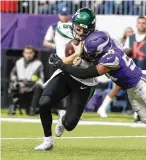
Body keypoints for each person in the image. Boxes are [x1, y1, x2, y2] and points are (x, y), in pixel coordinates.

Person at [50, 31, 146, 156]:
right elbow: (90, 52)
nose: (89, 55)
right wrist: (78, 55)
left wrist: (63, 65)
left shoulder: (110, 58)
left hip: (143, 82)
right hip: (132, 89)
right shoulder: (108, 43)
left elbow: (87, 73)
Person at [34, 8, 98, 151]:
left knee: (69, 125)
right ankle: (48, 140)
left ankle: (63, 118)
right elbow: (64, 61)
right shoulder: (62, 29)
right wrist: (77, 54)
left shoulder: (98, 39)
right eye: (78, 29)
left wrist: (81, 58)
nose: (81, 33)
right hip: (66, 73)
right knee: (44, 102)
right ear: (73, 23)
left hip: (85, 80)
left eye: (85, 31)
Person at [9, 46, 44, 115]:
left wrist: (24, 84)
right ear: (23, 53)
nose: (28, 55)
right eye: (26, 53)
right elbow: (12, 74)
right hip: (21, 85)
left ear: (33, 53)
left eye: (30, 53)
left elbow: (35, 78)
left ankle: (33, 109)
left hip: (33, 87)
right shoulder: (18, 62)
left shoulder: (38, 63)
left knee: (38, 86)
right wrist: (15, 80)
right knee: (12, 85)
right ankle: (13, 107)